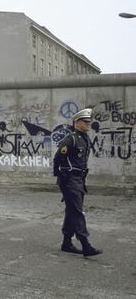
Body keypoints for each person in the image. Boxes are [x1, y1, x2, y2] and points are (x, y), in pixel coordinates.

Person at [53, 108, 102, 257]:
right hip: (70, 180)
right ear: (77, 122)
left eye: (89, 121)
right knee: (77, 212)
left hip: (79, 180)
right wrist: (62, 177)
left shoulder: (85, 138)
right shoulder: (71, 139)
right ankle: (85, 244)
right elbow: (57, 159)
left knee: (71, 211)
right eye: (85, 122)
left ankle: (66, 243)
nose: (88, 124)